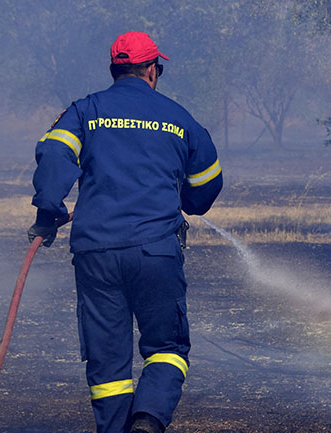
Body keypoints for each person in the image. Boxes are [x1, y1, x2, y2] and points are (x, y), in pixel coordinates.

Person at [28, 31, 222, 433]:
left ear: (114, 70)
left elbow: (53, 154)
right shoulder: (179, 117)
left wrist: (49, 210)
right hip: (156, 252)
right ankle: (148, 421)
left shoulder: (85, 111)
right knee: (167, 348)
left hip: (96, 253)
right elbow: (207, 182)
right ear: (153, 70)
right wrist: (187, 199)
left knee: (108, 362)